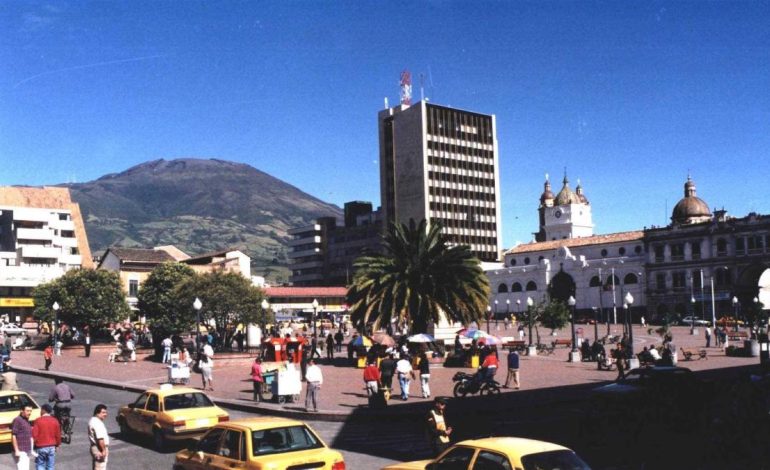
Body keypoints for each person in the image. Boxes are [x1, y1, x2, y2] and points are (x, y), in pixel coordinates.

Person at [33, 404, 61, 470]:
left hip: (41, 446)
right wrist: (57, 445)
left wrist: (34, 444)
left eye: (41, 410)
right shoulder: (55, 420)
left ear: (43, 410)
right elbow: (58, 435)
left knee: (40, 464)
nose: (40, 412)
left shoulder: (38, 420)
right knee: (50, 466)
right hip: (52, 447)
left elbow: (34, 435)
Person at [12, 403, 34, 470]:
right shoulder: (17, 420)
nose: (29, 413)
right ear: (21, 411)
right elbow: (13, 436)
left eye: (30, 411)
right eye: (27, 411)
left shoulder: (26, 420)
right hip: (20, 450)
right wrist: (16, 450)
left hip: (27, 450)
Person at [88, 404, 109, 470]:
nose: (105, 414)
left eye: (106, 412)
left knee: (96, 467)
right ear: (97, 413)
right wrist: (103, 450)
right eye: (103, 412)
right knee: (100, 468)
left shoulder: (93, 420)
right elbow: (100, 439)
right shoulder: (97, 423)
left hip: (95, 447)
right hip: (99, 448)